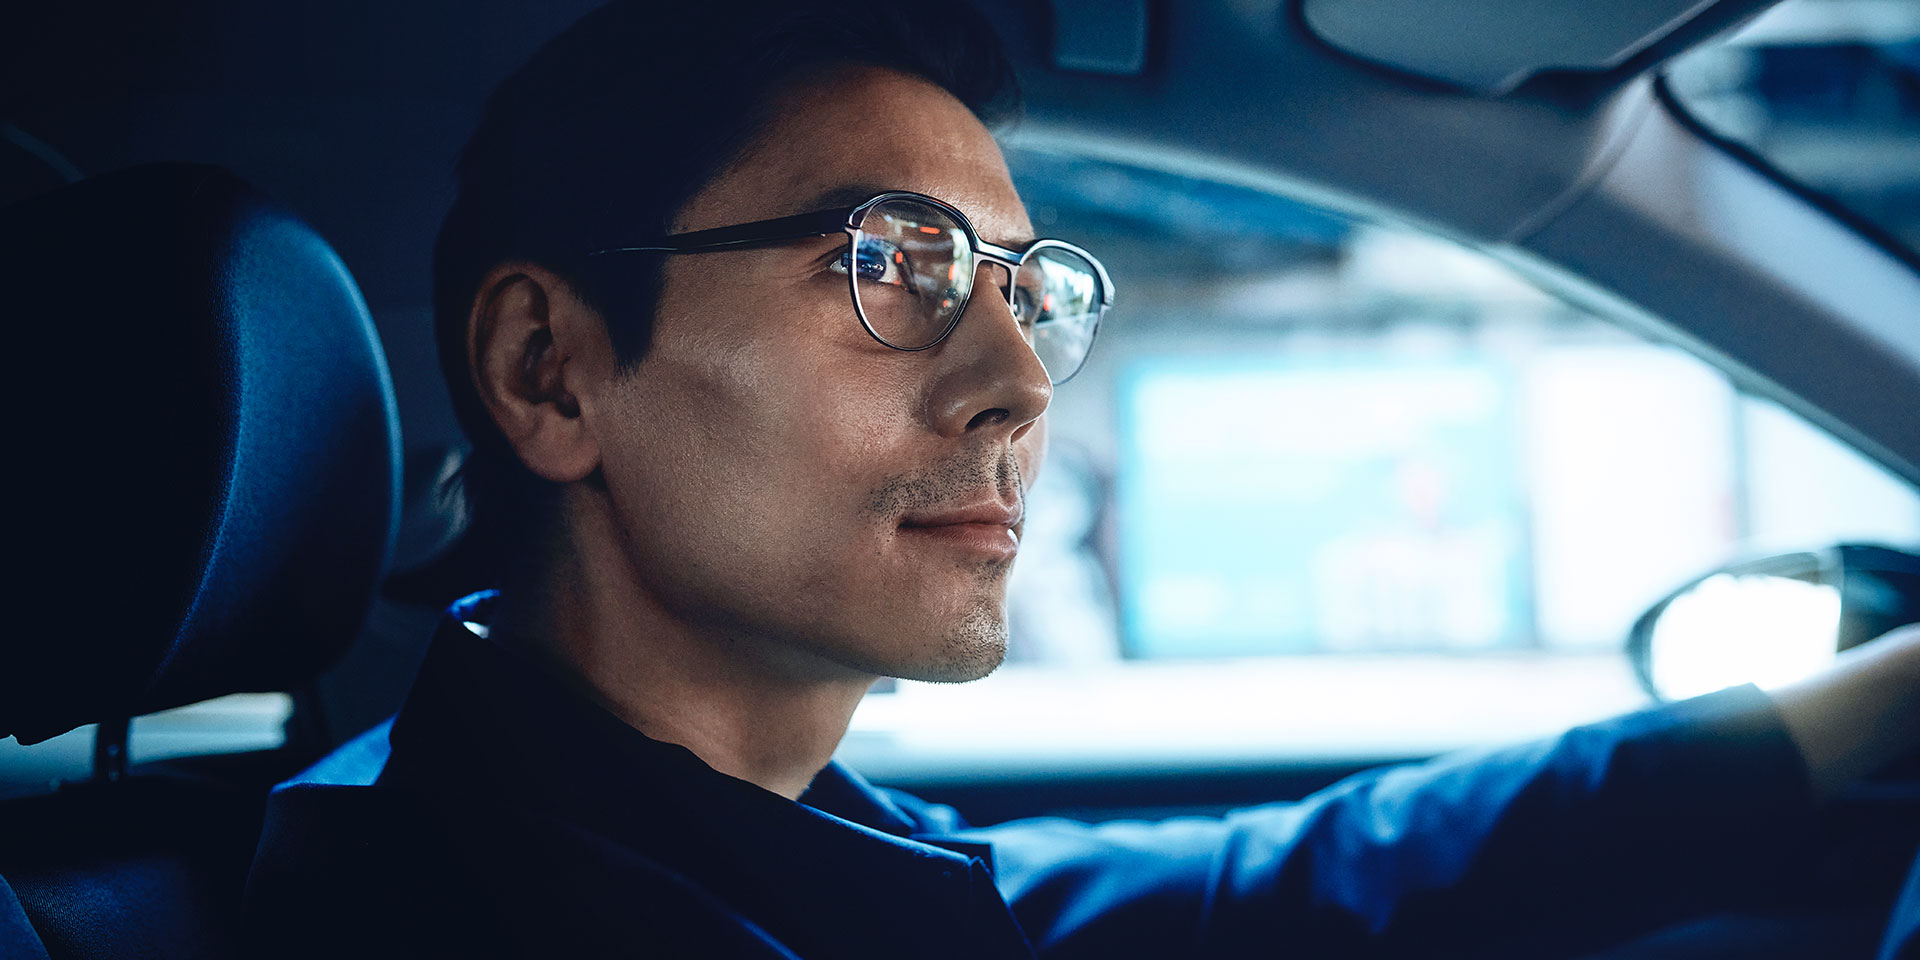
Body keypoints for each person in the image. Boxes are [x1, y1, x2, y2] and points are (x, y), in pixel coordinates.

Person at [243, 1, 1920, 956]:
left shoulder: (746, 841)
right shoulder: (470, 918)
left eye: (1024, 288)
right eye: (889, 265)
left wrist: (1852, 717)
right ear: (552, 371)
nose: (1019, 383)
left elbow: (1300, 887)